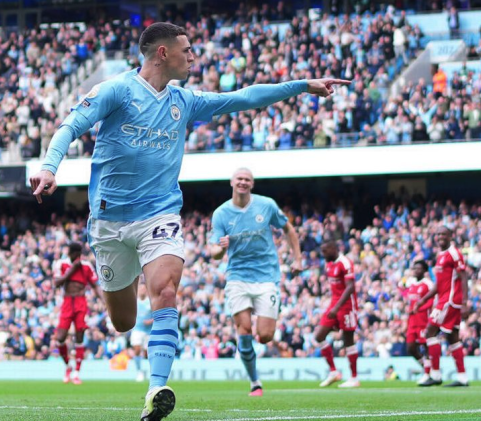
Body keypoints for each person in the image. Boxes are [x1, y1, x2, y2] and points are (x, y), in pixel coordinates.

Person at [29, 22, 349, 421]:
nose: (194, 56)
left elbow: (245, 97)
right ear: (163, 53)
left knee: (165, 292)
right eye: (187, 49)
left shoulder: (186, 100)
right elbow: (70, 126)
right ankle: (131, 314)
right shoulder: (117, 90)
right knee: (123, 321)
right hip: (109, 222)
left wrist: (302, 85)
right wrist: (48, 167)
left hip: (159, 215)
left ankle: (155, 389)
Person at [209, 167, 302, 397]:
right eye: (239, 178)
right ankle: (255, 382)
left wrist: (297, 257)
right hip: (237, 277)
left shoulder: (266, 205)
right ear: (232, 182)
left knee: (266, 335)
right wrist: (220, 250)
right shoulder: (221, 214)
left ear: (252, 184)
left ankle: (257, 344)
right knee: (244, 329)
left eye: (247, 180)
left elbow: (287, 227)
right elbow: (213, 252)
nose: (243, 182)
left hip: (266, 276)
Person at [414, 226, 469, 387]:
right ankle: (462, 377)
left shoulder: (454, 253)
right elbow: (439, 284)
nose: (440, 237)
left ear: (450, 236)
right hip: (444, 299)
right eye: (438, 234)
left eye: (443, 234)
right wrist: (423, 300)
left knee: (429, 332)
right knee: (453, 338)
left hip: (450, 300)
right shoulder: (440, 256)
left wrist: (465, 302)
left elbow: (463, 276)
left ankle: (435, 374)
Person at [53, 242, 100, 385]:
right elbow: (56, 283)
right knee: (60, 337)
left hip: (80, 302)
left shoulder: (86, 266)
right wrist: (72, 270)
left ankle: (77, 372)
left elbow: (95, 286)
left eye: (77, 253)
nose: (76, 256)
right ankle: (68, 366)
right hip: (67, 301)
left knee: (80, 334)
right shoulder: (61, 264)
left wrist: (105, 302)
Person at [316, 239, 360, 388]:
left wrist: (337, 308)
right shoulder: (329, 265)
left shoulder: (345, 262)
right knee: (319, 336)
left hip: (347, 306)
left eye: (325, 251)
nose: (323, 254)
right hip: (334, 304)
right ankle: (334, 372)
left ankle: (354, 378)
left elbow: (350, 288)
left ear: (334, 248)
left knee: (348, 341)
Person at [404, 260, 433, 384]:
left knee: (426, 347)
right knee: (410, 348)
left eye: (419, 268)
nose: (416, 271)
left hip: (423, 320)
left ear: (425, 271)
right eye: (414, 268)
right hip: (412, 322)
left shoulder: (428, 284)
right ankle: (426, 369)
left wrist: (419, 308)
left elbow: (432, 301)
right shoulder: (411, 284)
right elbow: (410, 300)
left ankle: (428, 373)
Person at [131, 282, 153, 382]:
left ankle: (147, 371)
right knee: (137, 348)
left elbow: (157, 315)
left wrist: (150, 321)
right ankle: (139, 371)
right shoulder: (134, 301)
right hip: (137, 329)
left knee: (146, 353)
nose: (142, 291)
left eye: (144, 289)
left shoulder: (150, 302)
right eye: (140, 289)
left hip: (148, 331)